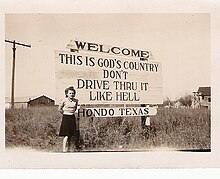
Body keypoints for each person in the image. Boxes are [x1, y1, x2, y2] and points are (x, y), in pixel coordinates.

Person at [58, 86, 79, 152]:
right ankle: (64, 149)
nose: (71, 94)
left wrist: (73, 112)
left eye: (73, 93)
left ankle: (70, 149)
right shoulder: (64, 100)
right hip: (66, 117)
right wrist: (64, 113)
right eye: (70, 93)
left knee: (72, 135)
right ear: (67, 94)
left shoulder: (76, 101)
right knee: (66, 135)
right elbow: (59, 109)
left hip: (72, 117)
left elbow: (75, 108)